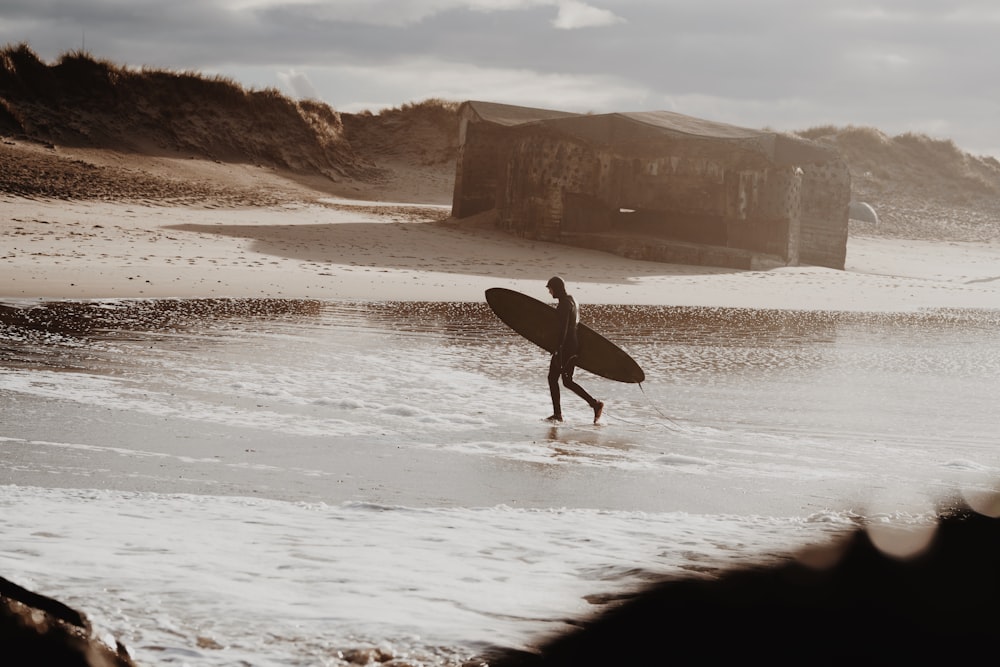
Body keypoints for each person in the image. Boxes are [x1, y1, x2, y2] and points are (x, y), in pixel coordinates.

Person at [545, 276, 604, 424]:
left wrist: (558, 349)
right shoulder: (573, 300)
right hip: (573, 346)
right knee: (566, 381)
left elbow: (563, 329)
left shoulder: (564, 304)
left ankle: (558, 414)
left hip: (565, 347)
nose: (550, 292)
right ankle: (594, 404)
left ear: (556, 288)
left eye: (550, 288)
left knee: (554, 379)